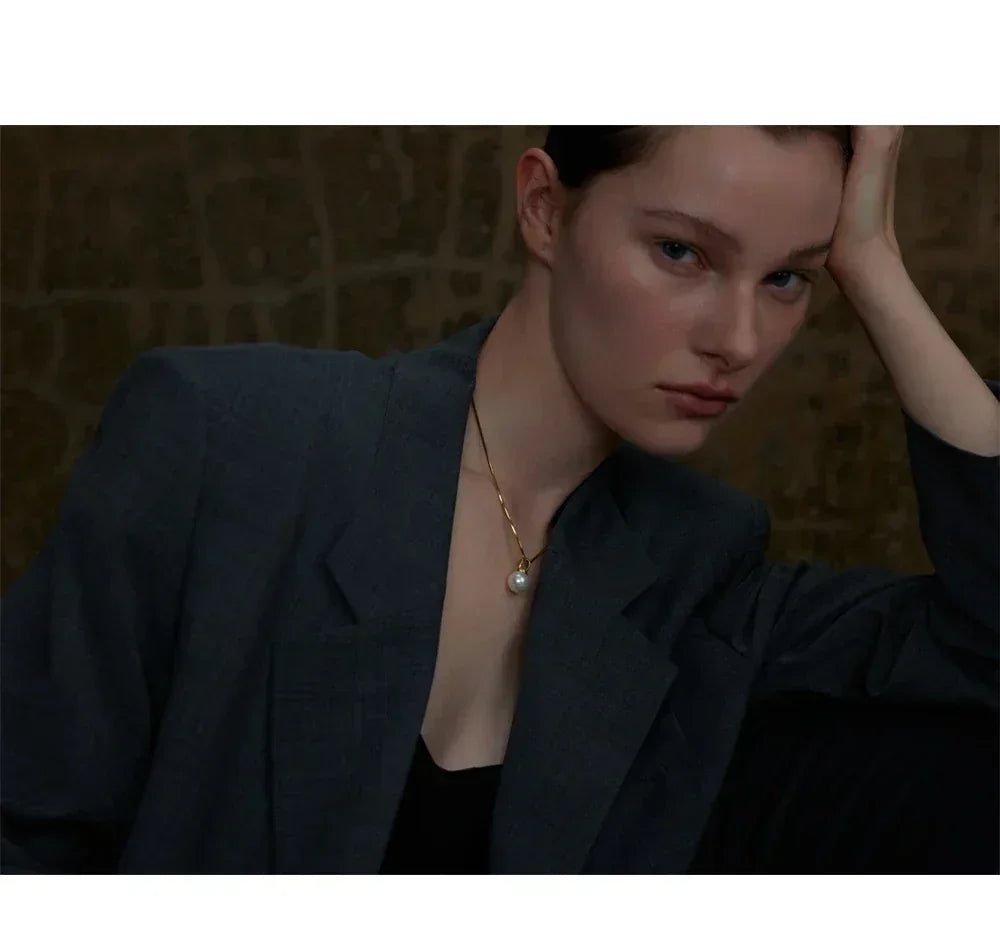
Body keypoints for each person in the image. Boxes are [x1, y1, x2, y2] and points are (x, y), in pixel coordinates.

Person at [2, 126, 997, 874]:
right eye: (681, 253)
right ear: (545, 208)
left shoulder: (702, 566)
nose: (736, 338)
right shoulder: (235, 440)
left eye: (786, 278)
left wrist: (874, 268)